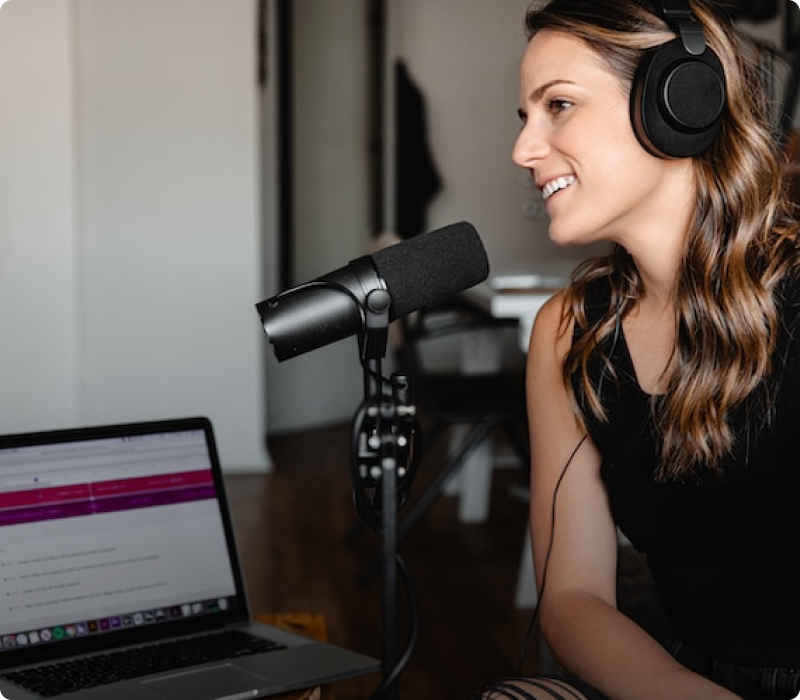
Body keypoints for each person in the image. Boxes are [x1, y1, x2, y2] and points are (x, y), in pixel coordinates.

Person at [477, 1, 800, 698]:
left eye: (557, 105)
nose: (523, 150)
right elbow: (571, 599)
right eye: (523, 117)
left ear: (681, 101)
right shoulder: (567, 333)